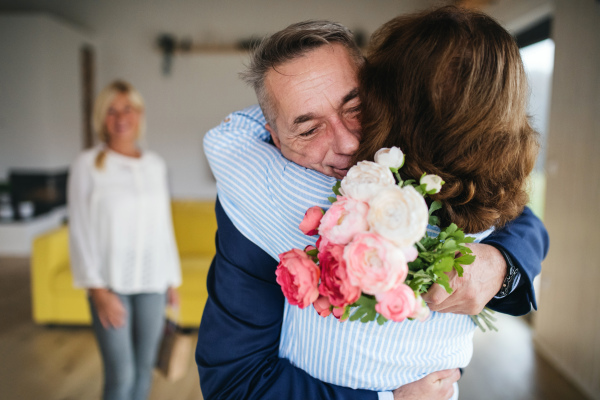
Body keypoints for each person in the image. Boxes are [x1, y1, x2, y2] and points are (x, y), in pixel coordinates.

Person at [197, 13, 549, 400]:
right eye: (308, 128)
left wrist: (500, 266)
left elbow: (518, 216)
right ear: (275, 141)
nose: (347, 143)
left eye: (355, 106)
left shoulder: (421, 153)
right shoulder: (255, 198)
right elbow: (235, 382)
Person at [68, 80, 181, 400]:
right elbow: (79, 230)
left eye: (126, 109)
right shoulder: (87, 165)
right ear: (101, 118)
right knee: (122, 375)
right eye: (111, 111)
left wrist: (171, 280)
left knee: (145, 369)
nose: (120, 117)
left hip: (154, 285)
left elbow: (163, 226)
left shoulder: (155, 165)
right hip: (109, 285)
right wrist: (97, 291)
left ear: (139, 114)